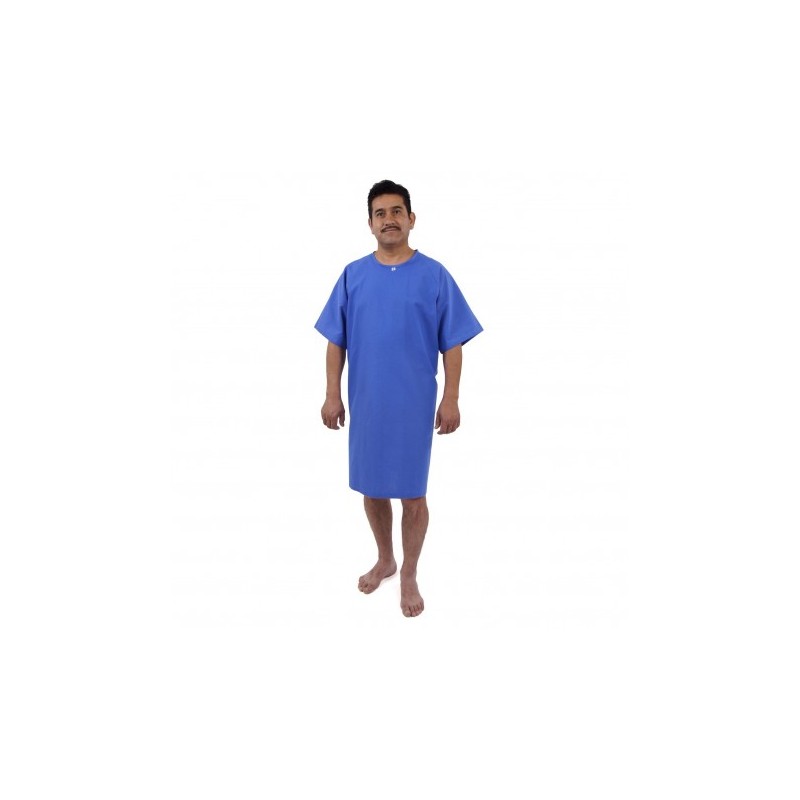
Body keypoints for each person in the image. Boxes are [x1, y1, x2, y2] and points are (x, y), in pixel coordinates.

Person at [315, 180, 483, 617]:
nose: (388, 219)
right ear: (370, 224)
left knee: (412, 494)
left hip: (413, 406)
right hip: (367, 404)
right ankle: (385, 558)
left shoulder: (434, 275)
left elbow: (452, 344)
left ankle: (408, 572)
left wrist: (452, 398)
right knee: (372, 489)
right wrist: (332, 394)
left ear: (411, 219)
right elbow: (335, 341)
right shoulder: (353, 276)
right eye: (380, 213)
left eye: (396, 211)